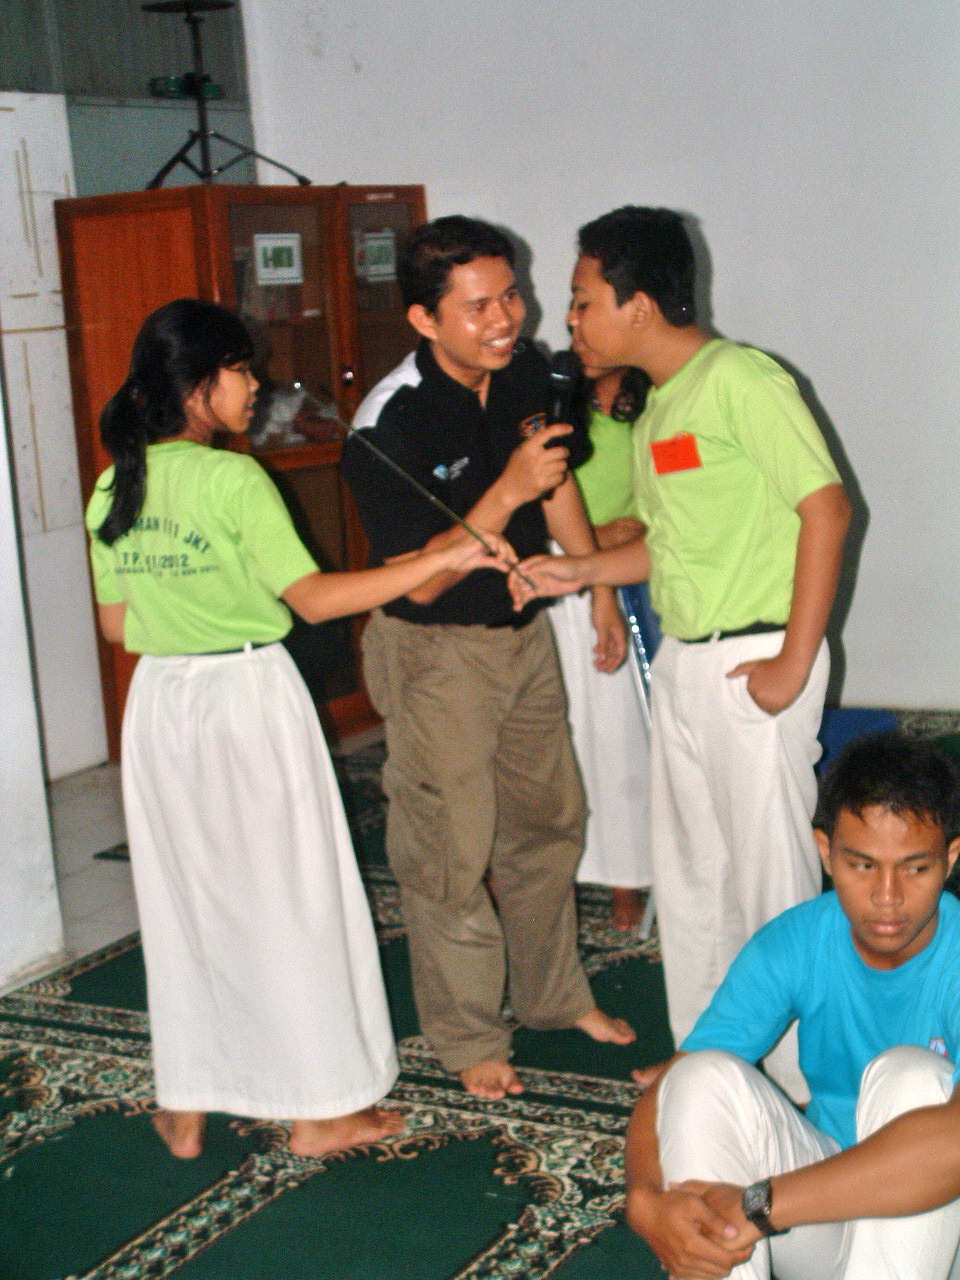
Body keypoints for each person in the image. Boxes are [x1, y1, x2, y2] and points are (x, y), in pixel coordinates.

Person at [85, 298, 516, 1160]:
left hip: (163, 707)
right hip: (245, 698)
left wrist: (189, 607)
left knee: (186, 901)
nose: (257, 385)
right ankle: (318, 1112)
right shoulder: (233, 481)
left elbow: (116, 625)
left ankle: (189, 1098)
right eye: (241, 369)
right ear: (199, 385)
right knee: (292, 902)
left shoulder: (112, 483)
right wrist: (439, 557)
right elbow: (313, 601)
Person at [516, 207, 852, 1086]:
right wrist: (578, 571)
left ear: (639, 304)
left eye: (583, 300)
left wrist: (792, 662)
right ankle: (711, 1063)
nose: (571, 321)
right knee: (695, 880)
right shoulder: (662, 403)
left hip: (756, 660)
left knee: (769, 886)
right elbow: (668, 548)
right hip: (685, 662)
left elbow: (827, 507)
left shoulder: (741, 378)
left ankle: (796, 1083)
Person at [340, 215, 635, 1101]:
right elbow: (420, 582)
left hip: (523, 637)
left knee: (548, 824)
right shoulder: (385, 425)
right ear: (424, 319)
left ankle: (553, 997)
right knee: (450, 849)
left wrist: (598, 587)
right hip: (434, 652)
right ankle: (468, 1033)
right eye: (478, 307)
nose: (505, 319)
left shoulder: (528, 373)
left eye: (511, 295)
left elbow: (558, 480)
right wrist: (505, 490)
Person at [624, 731, 960, 1280]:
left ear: (950, 859)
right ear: (826, 852)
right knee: (700, 1075)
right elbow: (670, 1089)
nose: (887, 896)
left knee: (912, 1076)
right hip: (824, 1212)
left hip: (942, 1232)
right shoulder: (795, 941)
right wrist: (642, 1200)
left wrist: (762, 1204)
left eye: (914, 868)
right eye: (862, 866)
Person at [548, 364, 653, 929]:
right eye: (574, 320)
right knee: (548, 731)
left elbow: (663, 506)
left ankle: (626, 874)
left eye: (588, 317)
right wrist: (583, 543)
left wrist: (603, 555)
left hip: (617, 577)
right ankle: (548, 871)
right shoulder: (553, 395)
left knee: (617, 735)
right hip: (545, 571)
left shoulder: (657, 402)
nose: (579, 327)